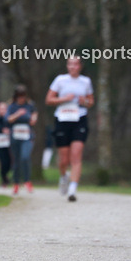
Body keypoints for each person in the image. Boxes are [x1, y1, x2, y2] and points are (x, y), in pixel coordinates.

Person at [46, 56, 93, 202]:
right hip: (62, 119)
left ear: (80, 66)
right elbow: (49, 100)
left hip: (79, 119)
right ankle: (63, 176)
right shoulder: (60, 80)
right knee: (64, 159)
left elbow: (91, 102)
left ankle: (72, 189)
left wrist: (84, 101)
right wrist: (64, 99)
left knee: (76, 155)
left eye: (75, 64)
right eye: (70, 64)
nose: (72, 66)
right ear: (67, 66)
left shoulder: (86, 81)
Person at [6, 85, 37, 194]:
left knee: (25, 157)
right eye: (19, 96)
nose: (21, 98)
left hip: (27, 136)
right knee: (16, 160)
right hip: (15, 136)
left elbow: (34, 116)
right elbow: (8, 119)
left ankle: (27, 181)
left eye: (23, 96)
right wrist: (18, 114)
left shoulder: (30, 105)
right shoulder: (11, 106)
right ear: (16, 96)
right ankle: (16, 183)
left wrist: (33, 118)